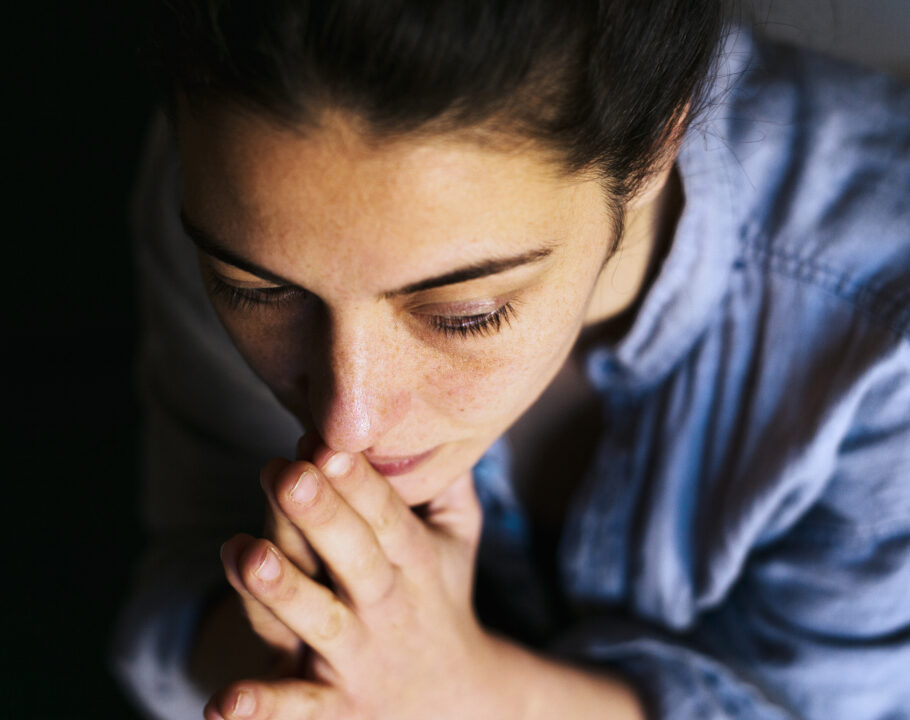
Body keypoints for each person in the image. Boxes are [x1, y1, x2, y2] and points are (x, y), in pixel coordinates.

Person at [112, 1, 910, 718]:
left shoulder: (880, 324)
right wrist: (313, 653)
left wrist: (470, 696)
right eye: (256, 293)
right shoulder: (231, 188)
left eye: (467, 314)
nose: (344, 422)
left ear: (656, 147)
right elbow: (182, 572)